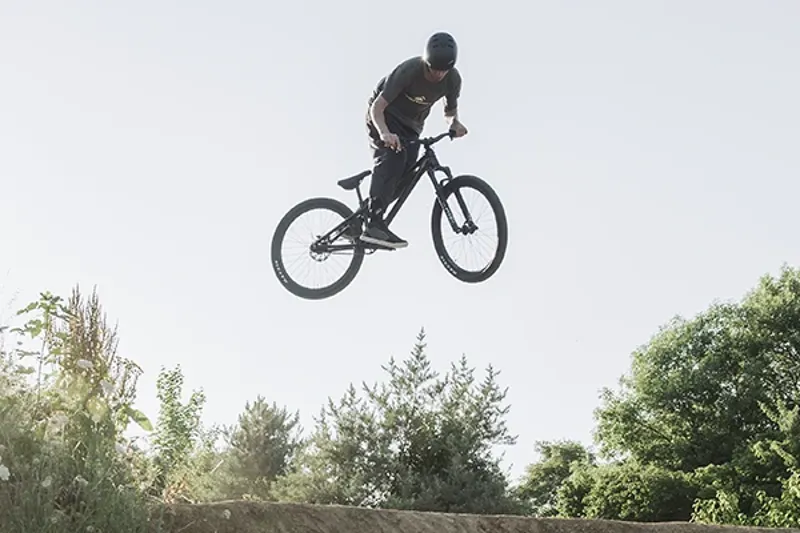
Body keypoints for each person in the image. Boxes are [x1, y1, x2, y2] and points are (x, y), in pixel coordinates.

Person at [358, 31, 469, 249]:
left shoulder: (453, 80)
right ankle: (373, 222)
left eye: (443, 70)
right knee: (394, 158)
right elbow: (377, 108)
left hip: (412, 127)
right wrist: (384, 133)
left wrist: (454, 124)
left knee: (408, 174)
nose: (438, 74)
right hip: (384, 117)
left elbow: (449, 112)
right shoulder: (409, 71)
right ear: (426, 62)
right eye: (433, 69)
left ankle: (367, 212)